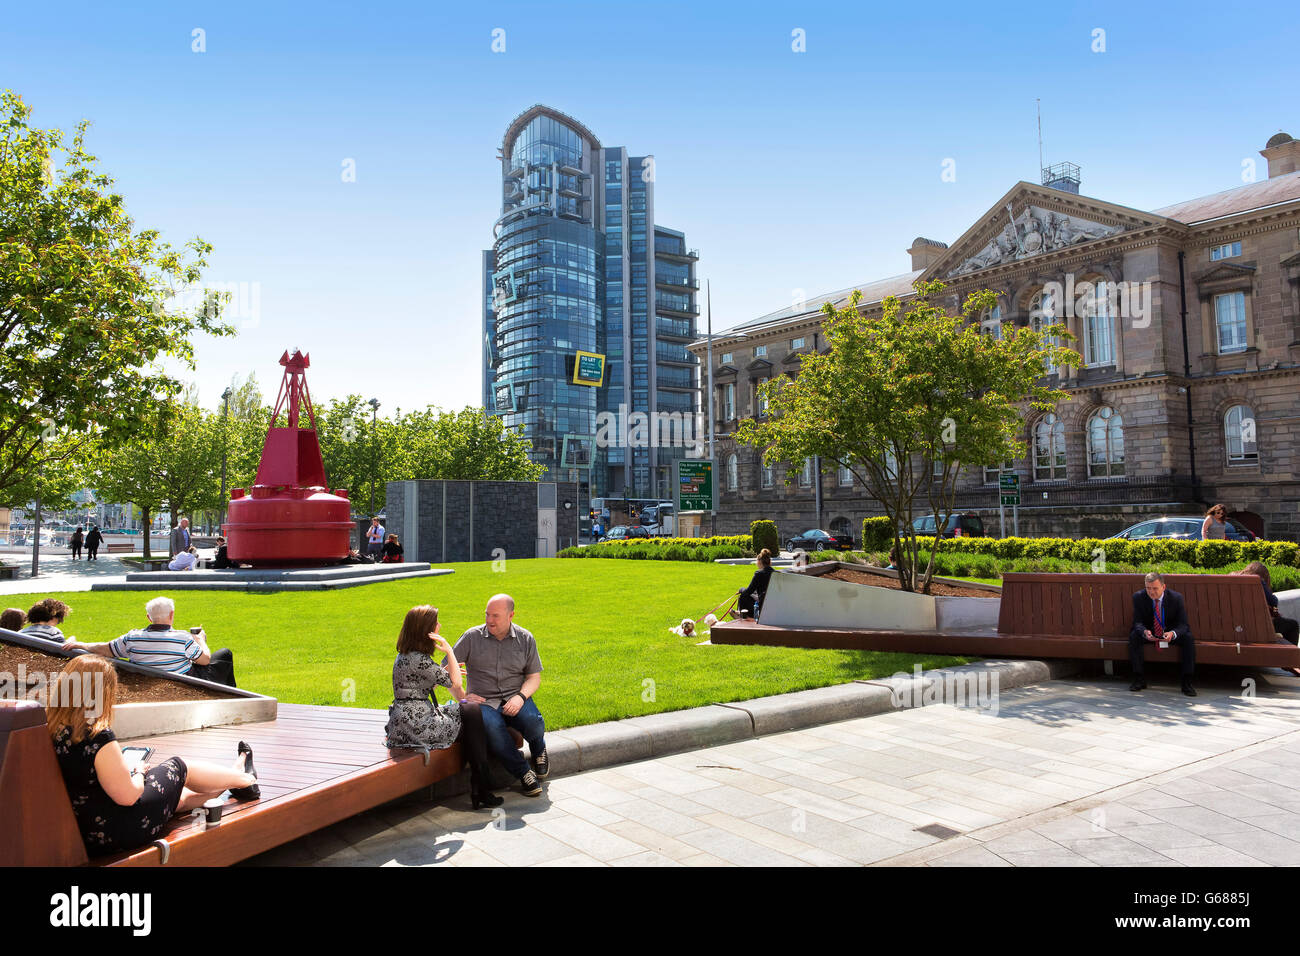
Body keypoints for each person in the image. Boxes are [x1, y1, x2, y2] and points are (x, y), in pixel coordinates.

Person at [46, 655, 259, 857]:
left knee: (179, 797)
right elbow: (128, 796)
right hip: (119, 830)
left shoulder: (51, 729)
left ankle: (233, 782)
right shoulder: (96, 736)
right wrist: (138, 773)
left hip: (84, 828)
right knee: (179, 767)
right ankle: (245, 779)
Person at [384, 605, 502, 810]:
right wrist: (448, 649)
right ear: (426, 629)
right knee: (471, 712)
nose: (439, 626)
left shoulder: (406, 655)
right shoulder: (419, 659)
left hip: (404, 722)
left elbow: (420, 683)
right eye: (435, 623)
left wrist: (441, 672)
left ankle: (480, 784)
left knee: (469, 712)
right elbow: (456, 684)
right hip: (418, 725)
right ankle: (481, 784)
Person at [451, 594, 546, 797]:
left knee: (533, 721)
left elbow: (533, 678)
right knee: (493, 728)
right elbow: (446, 672)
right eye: (487, 615)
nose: (489, 620)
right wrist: (463, 697)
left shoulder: (525, 638)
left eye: (495, 616)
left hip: (515, 695)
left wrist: (520, 697)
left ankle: (539, 749)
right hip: (484, 701)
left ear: (511, 615)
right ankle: (523, 772)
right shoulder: (471, 637)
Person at [64, 596, 238, 687]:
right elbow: (205, 660)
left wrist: (80, 644)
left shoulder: (131, 638)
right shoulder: (183, 638)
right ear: (172, 615)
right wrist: (201, 641)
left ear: (149, 617)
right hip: (185, 682)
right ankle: (233, 693)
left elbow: (104, 648)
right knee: (224, 654)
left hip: (146, 676)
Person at [1129, 572, 1196, 696]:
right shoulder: (1138, 597)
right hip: (1150, 633)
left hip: (1168, 633)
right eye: (1148, 588)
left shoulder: (1176, 598)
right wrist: (1144, 631)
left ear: (1163, 587)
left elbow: (1183, 625)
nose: (1151, 592)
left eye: (1155, 588)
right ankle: (1139, 679)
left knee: (1188, 638)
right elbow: (1137, 622)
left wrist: (1173, 634)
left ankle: (1187, 683)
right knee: (1134, 636)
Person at [1235, 561, 1300, 645]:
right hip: (1257, 626)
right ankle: (1291, 655)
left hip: (1234, 627)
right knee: (1293, 625)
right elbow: (1273, 602)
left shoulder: (1231, 578)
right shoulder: (1257, 580)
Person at [736, 548, 774, 619]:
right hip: (773, 603)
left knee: (743, 596)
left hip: (762, 605)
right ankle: (741, 614)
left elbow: (748, 591)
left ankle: (743, 617)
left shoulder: (759, 574)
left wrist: (741, 589)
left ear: (760, 561)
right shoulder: (775, 573)